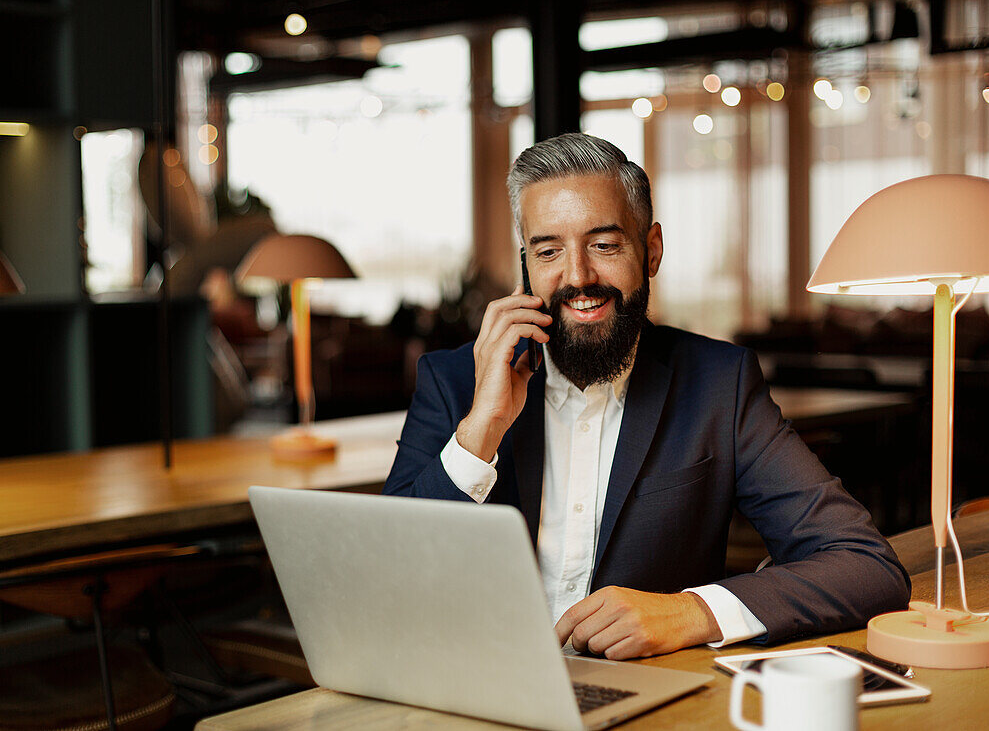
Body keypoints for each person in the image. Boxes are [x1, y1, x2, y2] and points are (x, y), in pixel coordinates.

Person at [383, 133, 909, 659]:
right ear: (527, 263)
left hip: (648, 697)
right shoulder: (452, 382)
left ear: (651, 250)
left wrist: (691, 611)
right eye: (548, 252)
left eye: (605, 246)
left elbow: (864, 564)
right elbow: (387, 580)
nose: (578, 277)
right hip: (474, 688)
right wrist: (481, 429)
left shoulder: (718, 384)